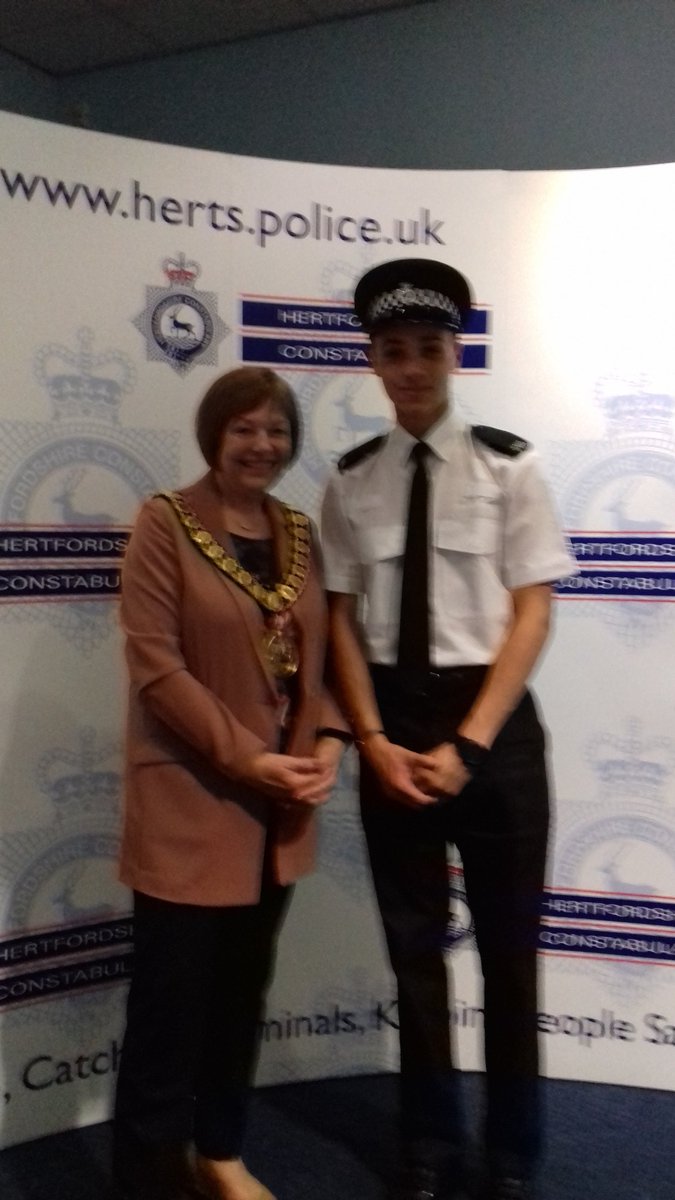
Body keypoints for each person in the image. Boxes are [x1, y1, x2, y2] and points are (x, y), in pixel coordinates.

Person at [320, 259, 576, 1200]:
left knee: (509, 953)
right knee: (413, 951)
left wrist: (468, 744)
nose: (413, 366)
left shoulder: (511, 464)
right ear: (374, 363)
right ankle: (427, 1142)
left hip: (493, 734)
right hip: (392, 725)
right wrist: (373, 738)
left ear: (453, 351)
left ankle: (512, 1152)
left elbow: (533, 611)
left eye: (429, 347)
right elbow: (339, 620)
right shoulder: (349, 482)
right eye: (394, 351)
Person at [113, 366, 348, 1200]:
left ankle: (220, 1153)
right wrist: (239, 755)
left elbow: (315, 656)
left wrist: (326, 737)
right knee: (169, 1008)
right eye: (244, 429)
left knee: (240, 994)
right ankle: (146, 1172)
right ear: (214, 433)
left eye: (277, 431)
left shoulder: (297, 531)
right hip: (189, 800)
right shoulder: (162, 524)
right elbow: (156, 665)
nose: (261, 445)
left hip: (277, 811)